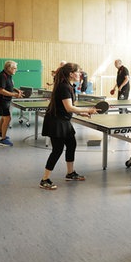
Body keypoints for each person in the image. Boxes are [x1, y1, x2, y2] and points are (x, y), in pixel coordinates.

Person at [39, 62, 98, 190]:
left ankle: (70, 173)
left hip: (63, 120)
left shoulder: (70, 86)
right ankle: (44, 179)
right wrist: (88, 110)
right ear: (71, 74)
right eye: (78, 72)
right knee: (57, 150)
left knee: (71, 144)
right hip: (56, 122)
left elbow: (67, 108)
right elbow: (69, 107)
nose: (80, 74)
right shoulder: (64, 87)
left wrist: (82, 113)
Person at [0, 60, 23, 146]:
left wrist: (17, 90)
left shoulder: (8, 75)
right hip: (1, 100)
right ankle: (3, 140)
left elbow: (10, 86)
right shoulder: (2, 76)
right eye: (14, 68)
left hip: (5, 100)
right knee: (7, 118)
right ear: (8, 68)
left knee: (4, 117)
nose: (16, 70)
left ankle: (0, 132)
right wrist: (14, 94)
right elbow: (1, 90)